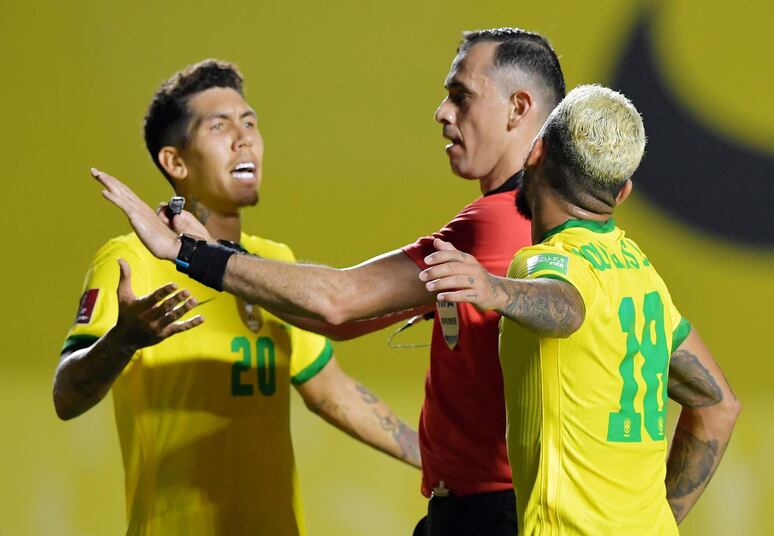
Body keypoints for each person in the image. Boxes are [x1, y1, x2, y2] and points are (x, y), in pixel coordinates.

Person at [90, 28, 566, 535]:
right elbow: (335, 321)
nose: (442, 113)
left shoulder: (490, 225)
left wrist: (190, 253)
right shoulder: (570, 233)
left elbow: (337, 303)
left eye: (459, 96)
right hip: (493, 510)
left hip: (493, 517)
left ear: (518, 108)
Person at [54, 60, 420, 536]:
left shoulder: (272, 263)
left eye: (249, 123)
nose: (244, 137)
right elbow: (67, 394)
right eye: (219, 126)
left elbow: (332, 392)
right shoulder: (131, 259)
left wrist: (441, 462)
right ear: (175, 162)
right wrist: (123, 339)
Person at [419, 84, 741, 534]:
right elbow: (718, 404)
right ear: (623, 191)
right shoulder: (643, 277)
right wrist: (661, 520)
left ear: (535, 152)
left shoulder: (545, 261)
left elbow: (567, 305)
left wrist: (494, 290)